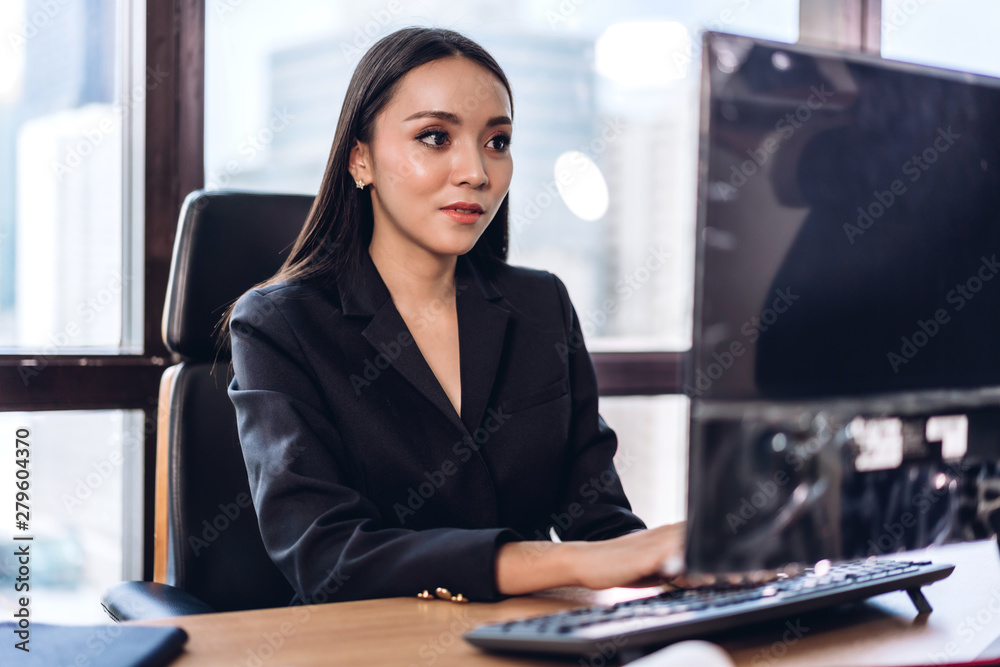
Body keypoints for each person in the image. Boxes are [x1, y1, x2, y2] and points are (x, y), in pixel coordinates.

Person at [224, 26, 683, 605]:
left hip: (530, 640)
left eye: (497, 142)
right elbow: (328, 556)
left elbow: (601, 524)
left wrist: (686, 564)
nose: (477, 172)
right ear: (360, 159)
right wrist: (563, 560)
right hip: (365, 647)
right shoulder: (280, 325)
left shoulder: (541, 307)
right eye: (436, 137)